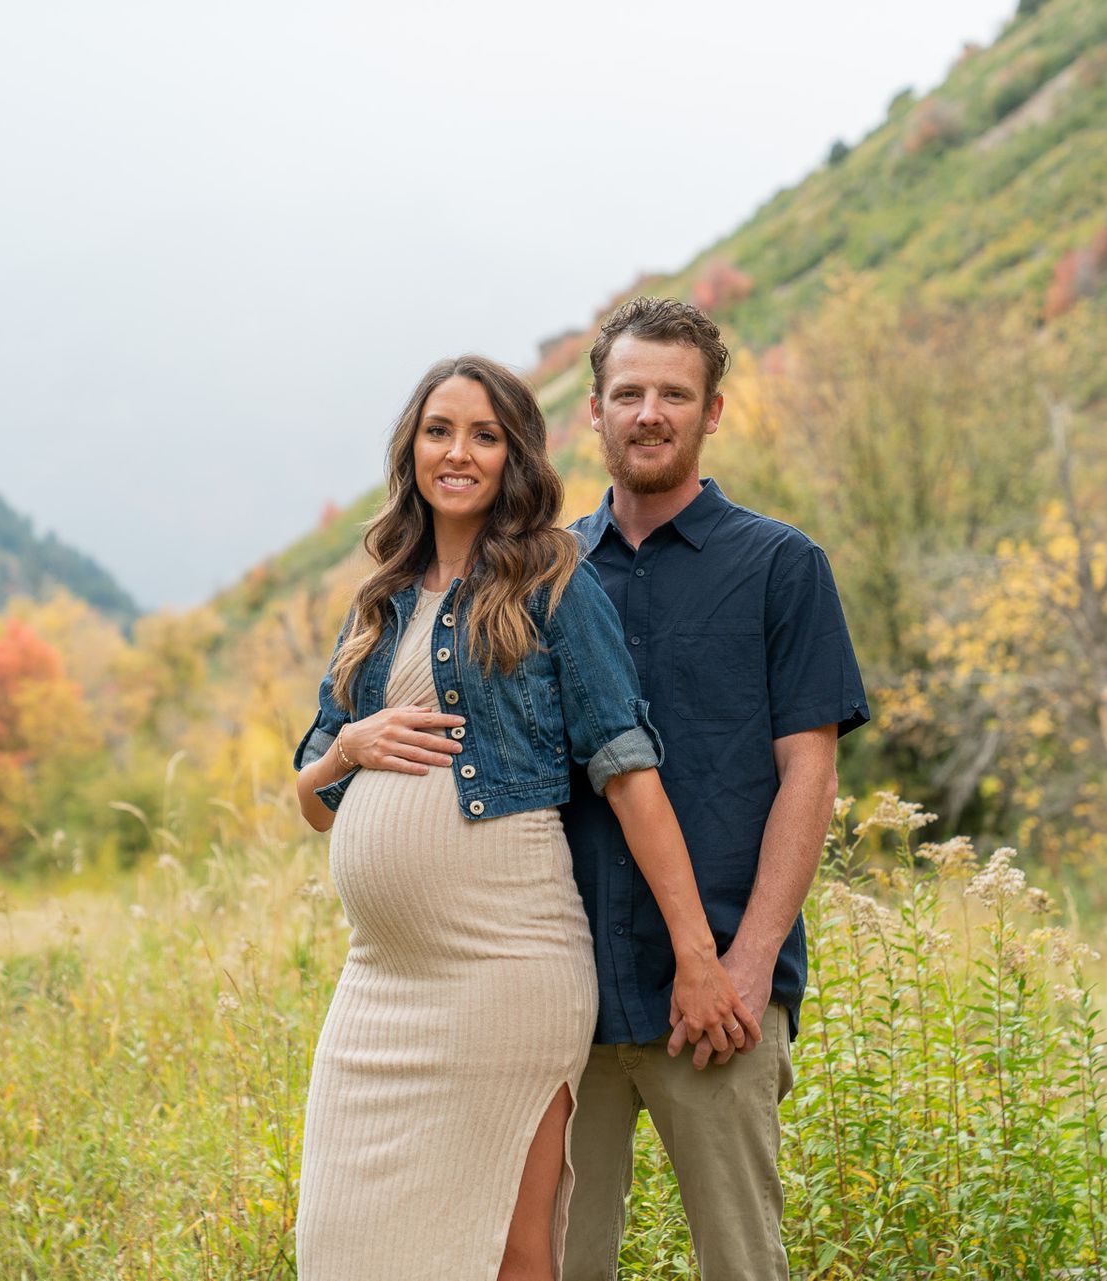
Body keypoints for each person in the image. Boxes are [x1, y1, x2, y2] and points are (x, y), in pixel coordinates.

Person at [291, 354, 760, 1281]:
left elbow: (629, 773)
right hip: (382, 983)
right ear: (410, 450)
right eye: (438, 431)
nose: (457, 452)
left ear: (515, 457)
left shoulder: (553, 582)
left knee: (514, 1254)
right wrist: (351, 747)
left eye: (484, 435)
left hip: (506, 971)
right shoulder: (378, 602)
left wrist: (699, 956)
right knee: (338, 1246)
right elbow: (311, 800)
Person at [560, 298, 870, 1281]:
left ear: (714, 412)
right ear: (595, 414)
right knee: (559, 1265)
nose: (650, 413)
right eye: (629, 393)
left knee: (743, 1266)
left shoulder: (782, 567)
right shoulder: (543, 574)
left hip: (723, 999)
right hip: (563, 994)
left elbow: (808, 772)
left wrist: (748, 963)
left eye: (674, 395)